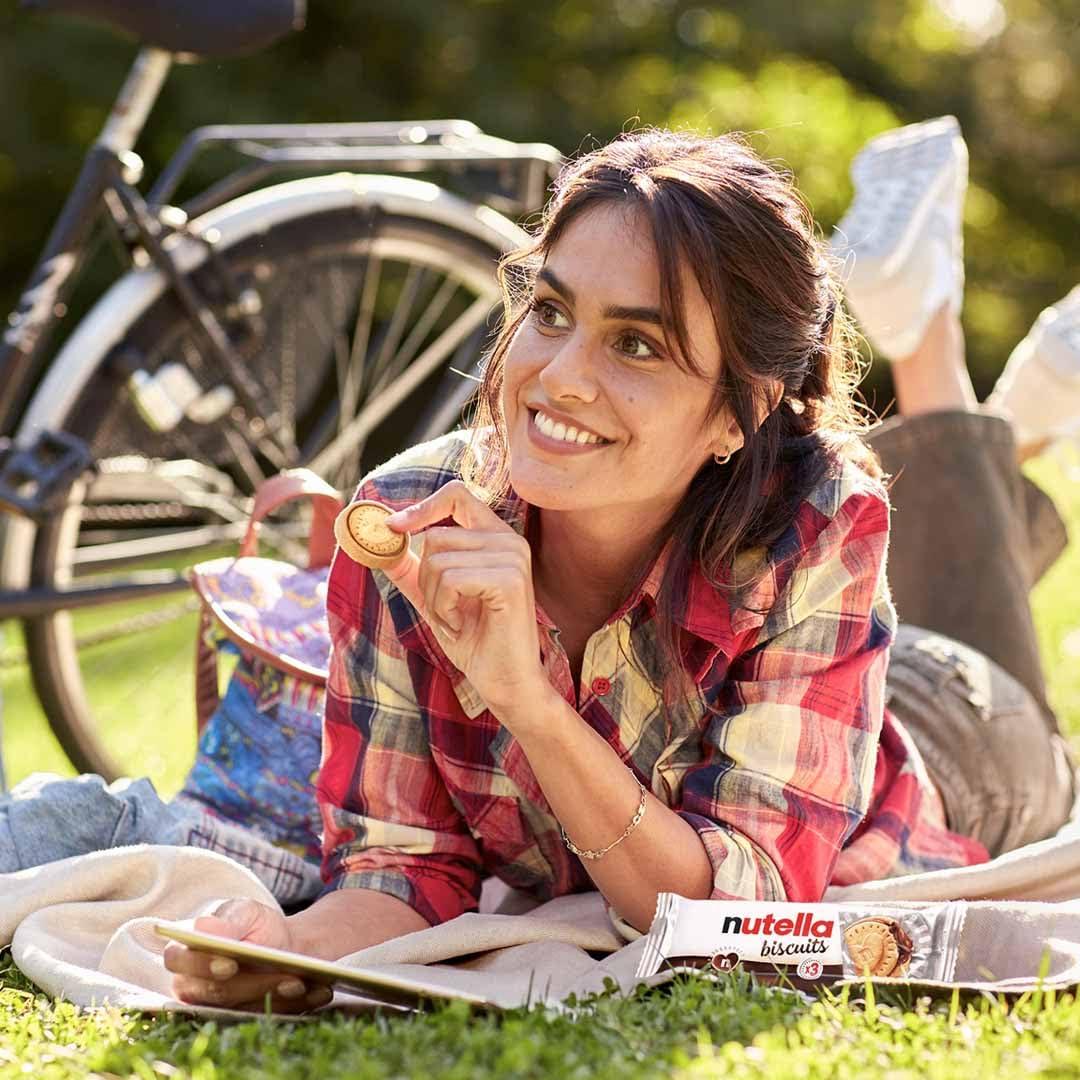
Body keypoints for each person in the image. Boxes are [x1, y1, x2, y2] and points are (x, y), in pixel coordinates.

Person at [7, 118, 1077, 1012]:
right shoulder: (408, 524)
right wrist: (278, 950)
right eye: (553, 311)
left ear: (740, 411)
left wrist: (528, 697)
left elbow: (736, 916)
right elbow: (402, 867)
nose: (556, 376)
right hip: (838, 652)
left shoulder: (819, 519)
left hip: (951, 735)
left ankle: (943, 352)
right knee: (962, 549)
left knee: (1002, 664)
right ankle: (1000, 397)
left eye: (639, 345)